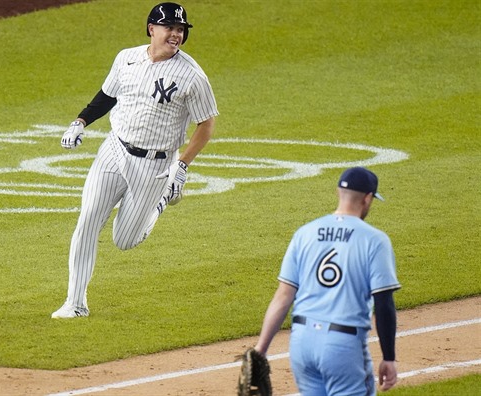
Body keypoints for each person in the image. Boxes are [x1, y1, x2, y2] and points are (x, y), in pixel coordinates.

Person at [51, 2, 218, 319]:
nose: (176, 34)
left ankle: (160, 201)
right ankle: (75, 303)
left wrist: (180, 167)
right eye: (170, 27)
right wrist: (80, 121)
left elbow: (206, 124)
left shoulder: (191, 75)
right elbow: (107, 95)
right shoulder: (126, 58)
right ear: (151, 29)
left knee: (124, 240)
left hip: (155, 165)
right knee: (88, 220)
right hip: (114, 149)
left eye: (181, 29)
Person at [251, 167, 400, 395]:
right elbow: (383, 303)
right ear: (368, 198)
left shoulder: (305, 233)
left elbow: (283, 296)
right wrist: (389, 357)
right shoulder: (375, 240)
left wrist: (260, 349)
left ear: (338, 192)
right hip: (342, 346)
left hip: (302, 343)